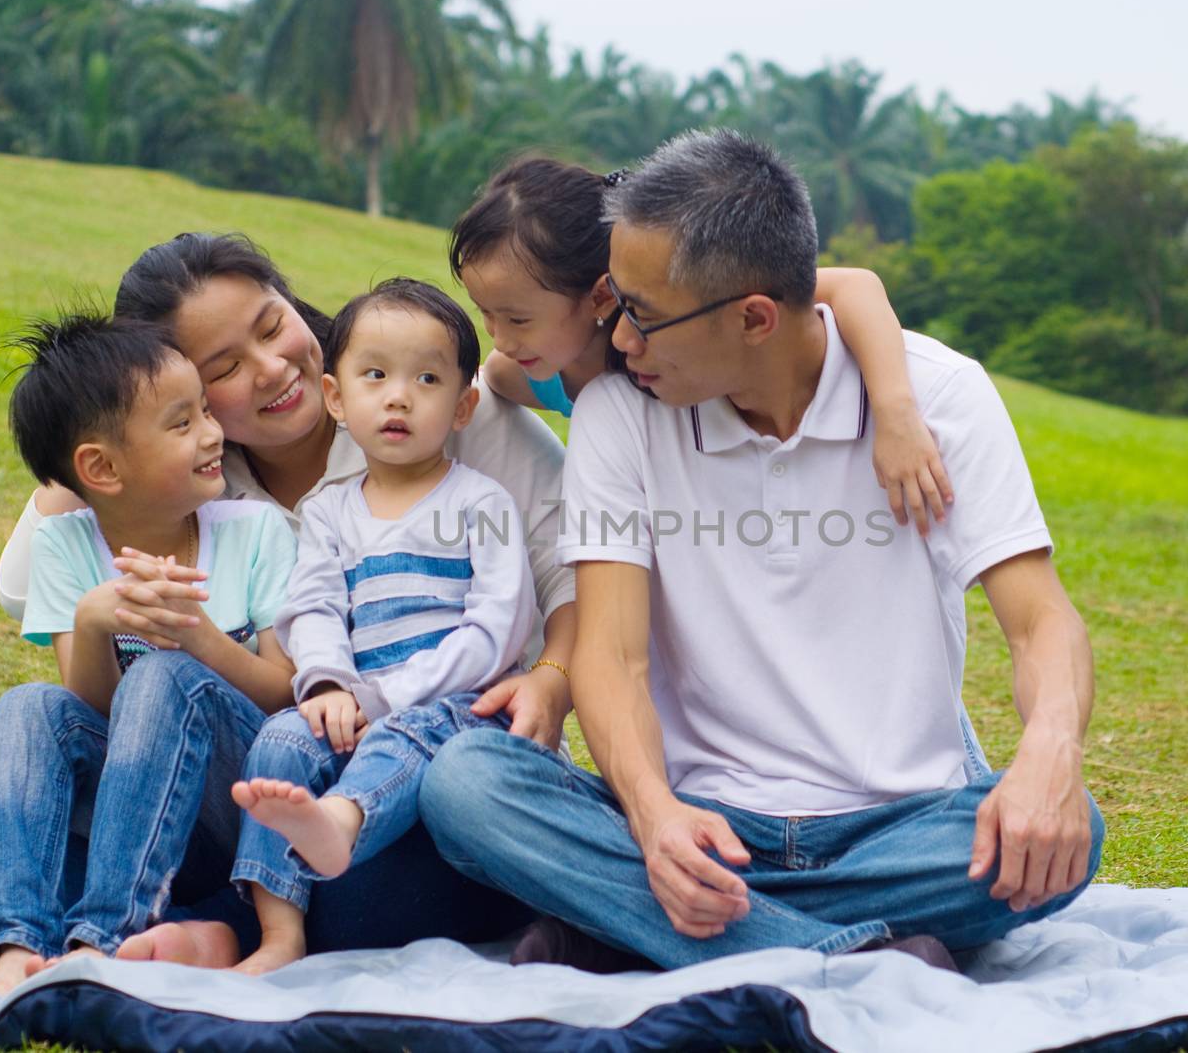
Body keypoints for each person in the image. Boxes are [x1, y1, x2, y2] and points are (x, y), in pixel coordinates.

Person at [417, 130, 1105, 973]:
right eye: (615, 307)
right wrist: (655, 816)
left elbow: (1041, 623)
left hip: (898, 827)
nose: (621, 342)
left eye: (644, 315)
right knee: (466, 784)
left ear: (754, 317)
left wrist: (1050, 753)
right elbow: (613, 655)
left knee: (1065, 836)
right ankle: (852, 957)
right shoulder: (620, 413)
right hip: (704, 818)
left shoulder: (938, 398)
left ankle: (637, 926)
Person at [0, 234, 567, 964]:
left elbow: (579, 574)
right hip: (259, 775)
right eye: (223, 370)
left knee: (363, 882)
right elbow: (22, 581)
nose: (274, 368)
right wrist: (96, 438)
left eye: (273, 325)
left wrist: (553, 676)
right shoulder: (202, 480)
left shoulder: (420, 384)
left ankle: (222, 924)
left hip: (423, 765)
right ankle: (180, 917)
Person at [0, 313, 297, 994]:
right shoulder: (67, 545)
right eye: (183, 424)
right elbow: (83, 712)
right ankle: (15, 944)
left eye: (205, 412)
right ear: (101, 467)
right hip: (130, 806)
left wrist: (200, 639)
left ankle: (105, 935)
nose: (214, 434)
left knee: (162, 678)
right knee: (27, 705)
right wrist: (94, 621)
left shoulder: (254, 533)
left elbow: (285, 696)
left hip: (237, 805)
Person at [228, 278, 535, 973]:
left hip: (454, 709)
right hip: (357, 704)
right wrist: (332, 685)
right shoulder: (331, 511)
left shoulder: (481, 502)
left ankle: (343, 822)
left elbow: (495, 633)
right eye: (375, 376)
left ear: (462, 407)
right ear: (337, 398)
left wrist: (387, 698)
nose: (399, 396)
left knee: (409, 732)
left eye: (426, 380)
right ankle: (280, 934)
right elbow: (311, 608)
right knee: (281, 735)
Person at [450, 158, 955, 536]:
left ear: (601, 294)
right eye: (485, 314)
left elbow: (855, 286)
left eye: (517, 318)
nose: (501, 337)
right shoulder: (519, 372)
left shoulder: (685, 323)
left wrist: (895, 413)